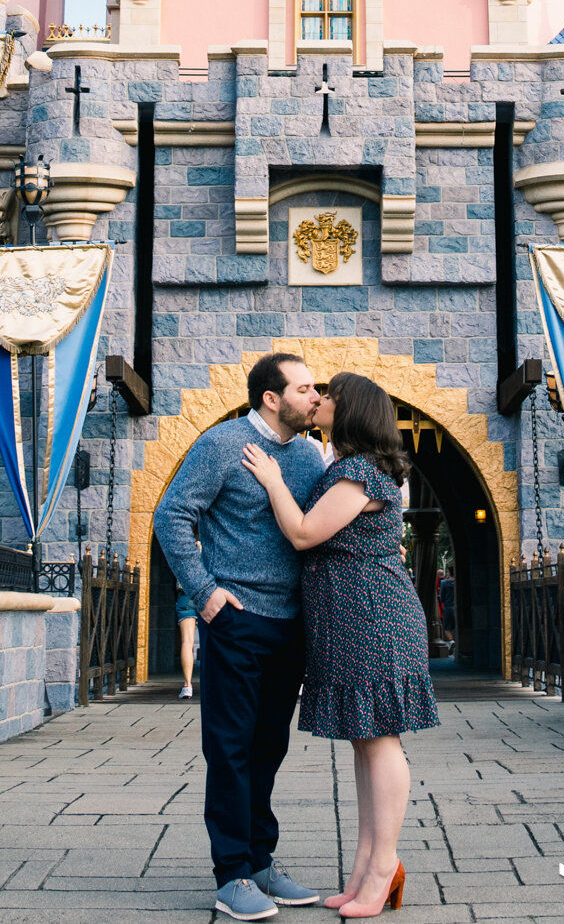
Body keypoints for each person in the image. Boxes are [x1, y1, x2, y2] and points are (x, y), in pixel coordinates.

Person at [243, 371, 440, 918]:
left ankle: (383, 868)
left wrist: (273, 480)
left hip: (373, 619)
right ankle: (365, 866)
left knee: (380, 742)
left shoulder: (359, 472)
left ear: (349, 410)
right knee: (365, 741)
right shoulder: (348, 468)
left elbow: (305, 533)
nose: (319, 400)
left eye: (328, 395)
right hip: (349, 621)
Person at [154, 351, 330, 921]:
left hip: (290, 625)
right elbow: (172, 515)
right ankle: (230, 873)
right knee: (229, 748)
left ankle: (259, 861)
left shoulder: (307, 454)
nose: (314, 397)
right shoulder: (224, 444)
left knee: (268, 747)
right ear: (271, 398)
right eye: (304, 389)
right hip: (236, 619)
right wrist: (205, 594)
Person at [175, 587, 198, 698]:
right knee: (215, 641)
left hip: (187, 595)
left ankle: (187, 686)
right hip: (212, 595)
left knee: (187, 641)